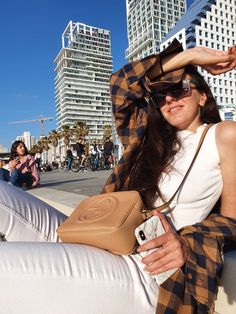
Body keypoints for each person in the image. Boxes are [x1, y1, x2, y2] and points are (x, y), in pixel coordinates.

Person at [0, 40, 235, 313]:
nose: (169, 99)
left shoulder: (223, 134)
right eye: (160, 95)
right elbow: (121, 85)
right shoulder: (149, 141)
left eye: (179, 89)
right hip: (103, 236)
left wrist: (187, 242)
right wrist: (190, 55)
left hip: (144, 268)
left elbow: (232, 220)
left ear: (202, 96)